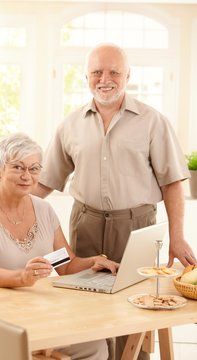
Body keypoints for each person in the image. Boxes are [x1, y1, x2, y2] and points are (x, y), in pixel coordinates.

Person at [33, 43, 197, 359]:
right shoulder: (70, 125)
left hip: (136, 226)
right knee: (85, 306)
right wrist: (1, 209)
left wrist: (177, 236)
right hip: (86, 223)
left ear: (128, 76)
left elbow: (173, 183)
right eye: (96, 72)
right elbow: (45, 182)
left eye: (113, 72)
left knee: (134, 308)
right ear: (85, 76)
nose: (104, 79)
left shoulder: (153, 121)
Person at [0, 132, 119, 360]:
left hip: (39, 314)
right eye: (18, 167)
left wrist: (92, 262)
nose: (27, 176)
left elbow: (67, 265)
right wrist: (21, 278)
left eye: (34, 168)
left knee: (94, 347)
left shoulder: (44, 210)